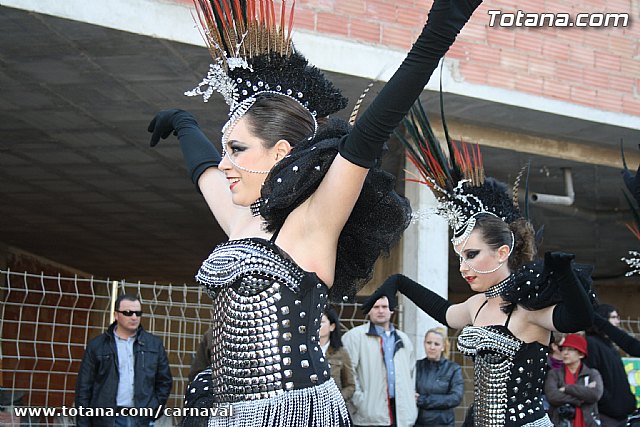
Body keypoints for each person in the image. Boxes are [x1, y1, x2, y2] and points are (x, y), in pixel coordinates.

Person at [147, 0, 483, 426]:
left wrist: (441, 29)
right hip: (226, 411)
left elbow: (373, 129)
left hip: (291, 414)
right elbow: (205, 172)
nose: (225, 163)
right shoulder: (242, 220)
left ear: (280, 152)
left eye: (237, 150)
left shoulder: (313, 223)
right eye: (225, 149)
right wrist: (184, 124)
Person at [363, 99, 595, 427]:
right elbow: (443, 312)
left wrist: (566, 278)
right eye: (460, 257)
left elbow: (577, 318)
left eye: (471, 255)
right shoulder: (475, 305)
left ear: (502, 253)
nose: (463, 266)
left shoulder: (527, 306)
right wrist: (398, 282)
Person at [75, 294, 172, 427]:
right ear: (116, 315)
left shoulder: (153, 344)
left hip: (141, 419)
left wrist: (154, 409)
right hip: (106, 419)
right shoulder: (97, 346)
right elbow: (84, 388)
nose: (134, 317)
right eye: (128, 313)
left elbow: (164, 381)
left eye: (138, 313)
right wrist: (83, 422)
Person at [342, 296, 418, 427]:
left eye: (385, 307)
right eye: (376, 307)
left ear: (392, 310)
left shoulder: (403, 339)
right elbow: (347, 374)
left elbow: (412, 374)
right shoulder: (354, 337)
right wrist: (362, 402)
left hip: (401, 414)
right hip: (370, 414)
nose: (381, 311)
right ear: (369, 311)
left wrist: (410, 398)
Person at [585, 304, 640, 426]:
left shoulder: (608, 346)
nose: (618, 321)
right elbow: (591, 378)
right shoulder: (594, 344)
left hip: (620, 412)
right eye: (613, 317)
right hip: (609, 414)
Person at [544, 334, 603, 427]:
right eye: (563, 349)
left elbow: (595, 395)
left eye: (570, 349)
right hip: (561, 422)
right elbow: (552, 396)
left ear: (581, 354)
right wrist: (583, 396)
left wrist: (567, 388)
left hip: (588, 423)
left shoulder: (592, 374)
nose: (565, 353)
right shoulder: (554, 374)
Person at [414, 328, 464, 427]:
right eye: (429, 343)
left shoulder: (453, 369)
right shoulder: (417, 366)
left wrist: (423, 400)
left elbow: (455, 398)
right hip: (418, 422)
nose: (432, 347)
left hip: (443, 423)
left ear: (443, 347)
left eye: (436, 344)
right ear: (424, 344)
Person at [320, 306, 356, 412]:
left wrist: (337, 398)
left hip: (333, 410)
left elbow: (350, 385)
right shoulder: (305, 352)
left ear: (332, 326)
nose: (317, 326)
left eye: (321, 322)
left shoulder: (341, 353)